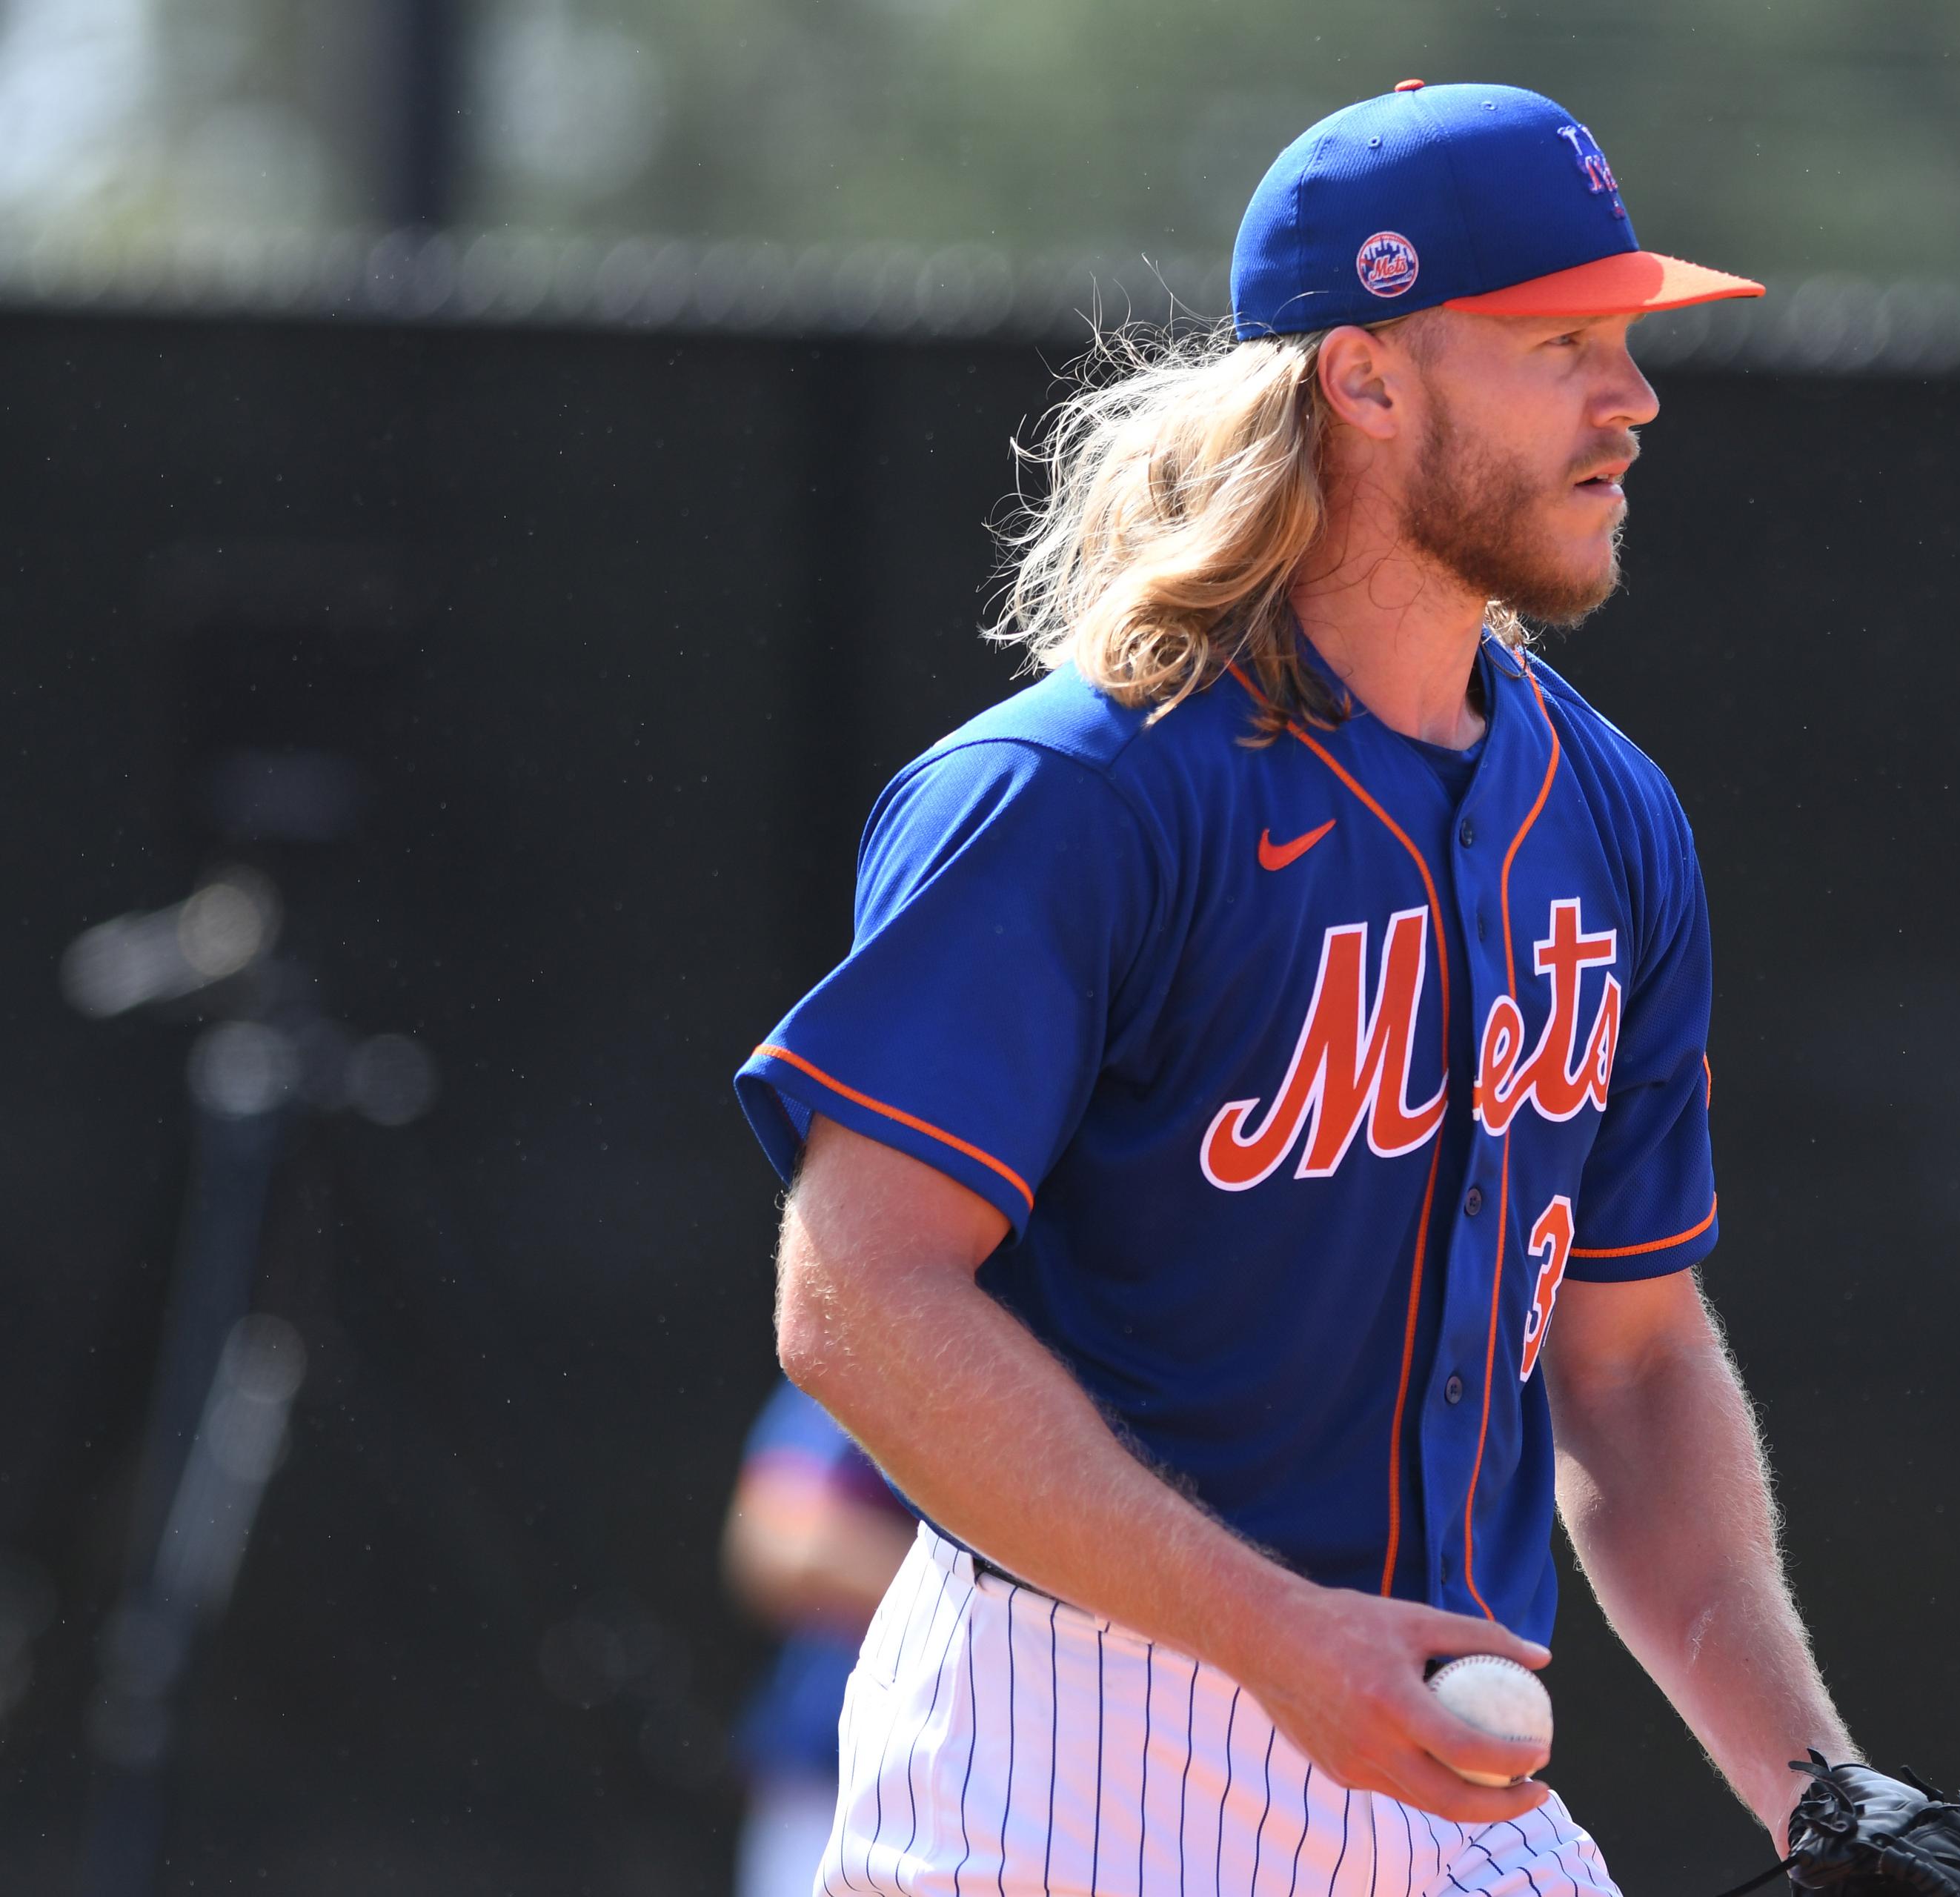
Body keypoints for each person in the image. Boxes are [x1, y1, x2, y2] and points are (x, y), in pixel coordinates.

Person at [736, 79, 1857, 1896]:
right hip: (1068, 1763)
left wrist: (1819, 1788)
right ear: (1364, 375)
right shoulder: (1084, 791)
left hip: (1437, 1760)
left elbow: (1631, 1367)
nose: (1630, 398)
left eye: (1628, 341)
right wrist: (1268, 1629)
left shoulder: (1607, 814)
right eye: (1559, 341)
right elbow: (852, 1296)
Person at [722, 1379, 918, 1897]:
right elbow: (778, 1541)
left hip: (1040, 1799)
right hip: (835, 1797)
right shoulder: (894, 1341)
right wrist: (983, 1592)